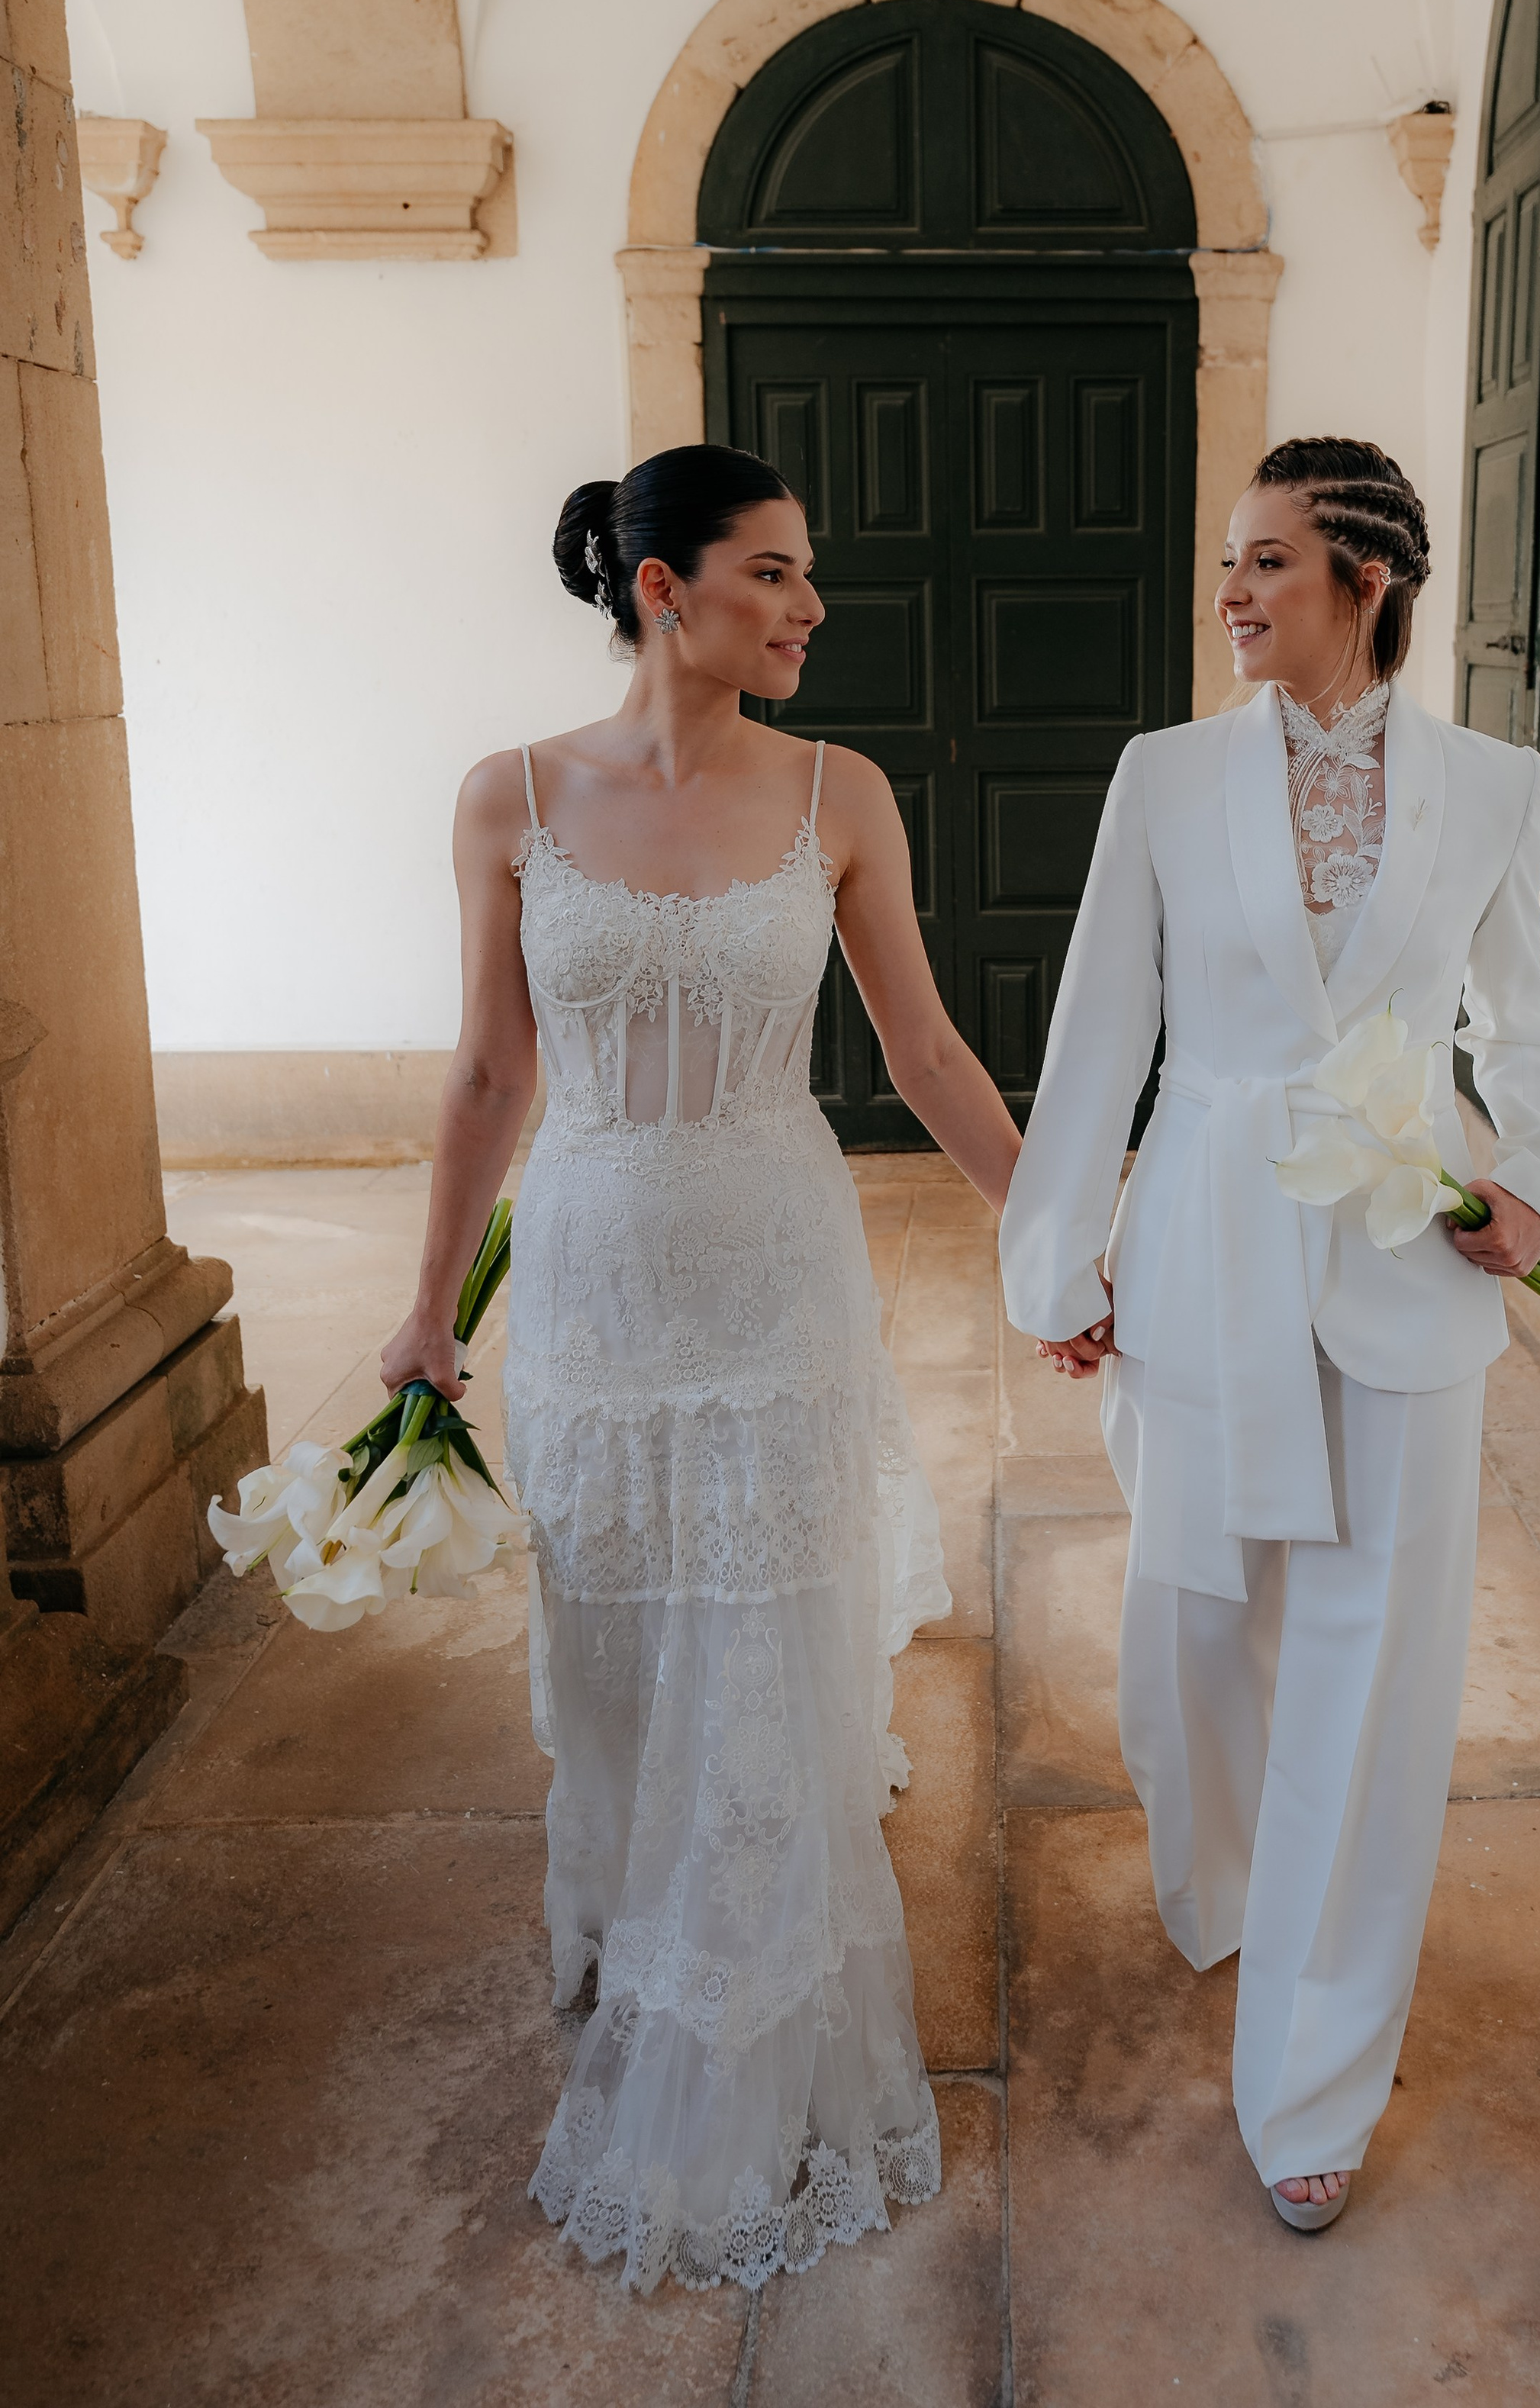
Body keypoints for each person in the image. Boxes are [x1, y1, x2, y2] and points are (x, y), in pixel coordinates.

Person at [379, 444, 1021, 2294]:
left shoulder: (837, 792)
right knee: (616, 1641)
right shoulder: (506, 799)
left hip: (772, 1279)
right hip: (586, 1288)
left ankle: (749, 2013)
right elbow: (488, 1075)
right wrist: (433, 1309)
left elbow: (923, 1053)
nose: (808, 606)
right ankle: (628, 1924)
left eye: (805, 574)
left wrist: (1069, 1234)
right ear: (660, 590)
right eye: (770, 574)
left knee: (757, 1645)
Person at [997, 436, 1540, 2233]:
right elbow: (1102, 1025)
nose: (1230, 594)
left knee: (1370, 1660)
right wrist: (1060, 1259)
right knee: (1192, 1628)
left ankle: (1312, 2067)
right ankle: (1235, 1879)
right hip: (1202, 1236)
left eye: (1263, 563)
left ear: (1365, 579)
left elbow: (1521, 1025)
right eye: (1227, 564)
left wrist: (1539, 1180)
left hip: (1407, 1251)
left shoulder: (1491, 783)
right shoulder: (1165, 776)